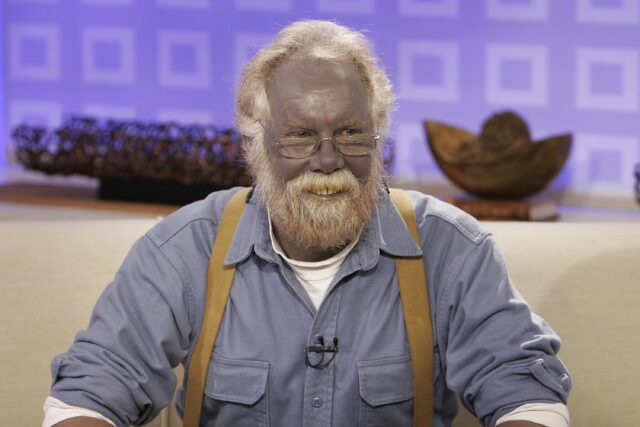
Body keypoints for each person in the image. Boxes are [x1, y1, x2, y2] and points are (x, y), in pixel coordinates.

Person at [44, 20, 571, 427]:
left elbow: (524, 387)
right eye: (299, 135)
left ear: (378, 136)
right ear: (255, 144)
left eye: (349, 132)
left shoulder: (453, 247)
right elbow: (93, 388)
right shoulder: (185, 247)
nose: (327, 159)